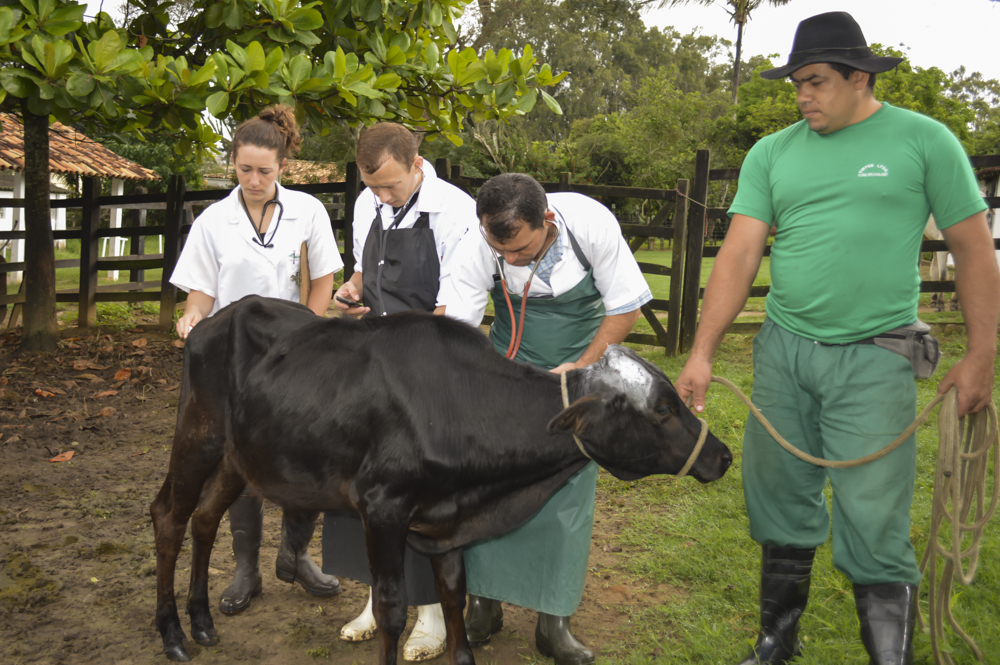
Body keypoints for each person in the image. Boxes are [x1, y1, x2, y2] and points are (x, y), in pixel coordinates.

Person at [674, 12, 1000, 665]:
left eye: (816, 82)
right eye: (797, 83)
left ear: (859, 78)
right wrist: (702, 353)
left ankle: (889, 656)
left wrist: (981, 355)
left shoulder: (924, 141)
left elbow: (972, 247)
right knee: (777, 494)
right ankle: (776, 639)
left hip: (876, 355)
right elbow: (738, 255)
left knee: (873, 512)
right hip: (784, 351)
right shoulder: (772, 153)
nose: (802, 96)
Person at [438, 172, 653, 665]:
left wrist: (580, 369)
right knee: (488, 483)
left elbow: (625, 309)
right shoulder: (478, 241)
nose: (510, 260)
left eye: (521, 249)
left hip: (577, 370)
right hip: (507, 370)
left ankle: (554, 620)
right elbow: (456, 324)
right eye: (501, 251)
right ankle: (483, 604)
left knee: (566, 491)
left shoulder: (590, 223)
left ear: (547, 220)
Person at [170, 104, 344, 615]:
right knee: (238, 460)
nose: (253, 180)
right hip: (234, 359)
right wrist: (191, 317)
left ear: (283, 166)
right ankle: (246, 568)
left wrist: (308, 336)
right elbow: (201, 292)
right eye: (244, 169)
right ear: (233, 163)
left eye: (264, 171)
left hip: (294, 356)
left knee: (303, 454)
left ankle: (296, 555)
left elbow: (323, 281)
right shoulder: (213, 221)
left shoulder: (307, 211)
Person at [324, 122, 476, 662]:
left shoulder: (455, 211)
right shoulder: (367, 201)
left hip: (431, 363)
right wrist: (350, 292)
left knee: (424, 492)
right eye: (373, 187)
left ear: (416, 165)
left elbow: (458, 304)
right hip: (372, 361)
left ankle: (432, 612)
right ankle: (377, 596)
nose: (382, 196)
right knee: (365, 483)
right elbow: (362, 273)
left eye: (390, 185)